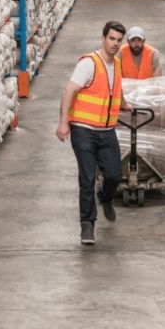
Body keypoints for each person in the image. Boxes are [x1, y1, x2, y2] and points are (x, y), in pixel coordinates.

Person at [56, 21, 130, 245]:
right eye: (112, 39)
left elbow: (114, 89)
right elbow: (69, 90)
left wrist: (125, 104)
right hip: (84, 130)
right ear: (103, 38)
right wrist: (63, 123)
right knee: (87, 178)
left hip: (107, 130)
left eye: (119, 40)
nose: (115, 44)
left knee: (115, 175)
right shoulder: (89, 63)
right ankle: (87, 225)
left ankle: (105, 197)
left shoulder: (117, 64)